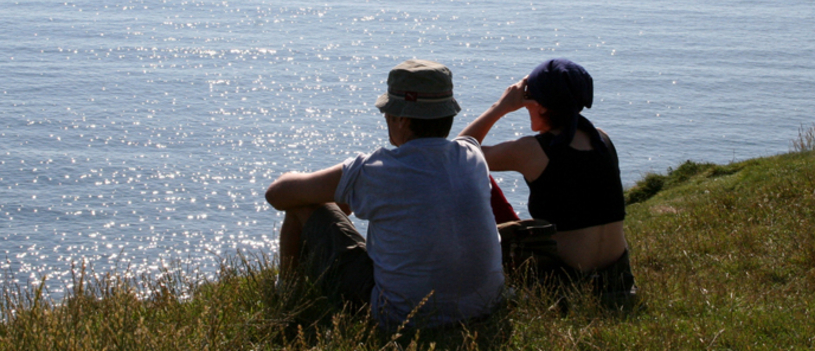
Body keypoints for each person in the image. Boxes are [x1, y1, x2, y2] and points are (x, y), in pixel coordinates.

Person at [265, 59, 505, 329]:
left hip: (401, 317)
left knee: (300, 206)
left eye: (388, 113)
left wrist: (338, 196)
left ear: (401, 119)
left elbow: (277, 194)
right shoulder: (473, 156)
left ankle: (286, 297)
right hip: (486, 307)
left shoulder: (376, 171)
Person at [460, 58, 636, 303]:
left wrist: (500, 106)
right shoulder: (602, 141)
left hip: (567, 286)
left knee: (479, 175)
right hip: (619, 282)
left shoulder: (532, 151)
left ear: (540, 105)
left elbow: (458, 156)